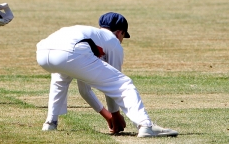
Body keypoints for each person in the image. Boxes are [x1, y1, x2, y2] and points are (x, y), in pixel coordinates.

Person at [36, 12, 178, 137]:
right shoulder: (113, 41)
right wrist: (115, 114)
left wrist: (107, 115)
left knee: (60, 80)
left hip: (43, 52)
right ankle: (146, 125)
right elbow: (114, 87)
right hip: (71, 50)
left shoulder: (92, 36)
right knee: (124, 84)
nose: (122, 41)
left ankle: (50, 123)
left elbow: (84, 90)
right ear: (119, 32)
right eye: (123, 36)